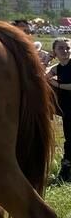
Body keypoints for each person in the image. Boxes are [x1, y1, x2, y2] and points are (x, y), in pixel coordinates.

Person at [49, 38, 71, 182]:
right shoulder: (57, 68)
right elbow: (42, 76)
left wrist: (55, 83)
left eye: (68, 48)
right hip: (67, 109)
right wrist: (49, 58)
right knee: (69, 140)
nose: (65, 51)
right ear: (55, 51)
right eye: (61, 48)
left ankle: (66, 171)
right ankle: (66, 171)